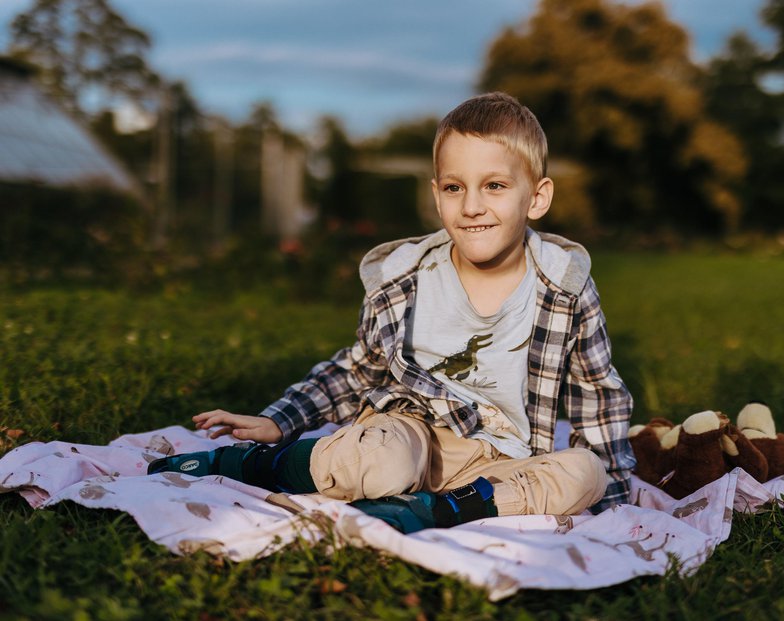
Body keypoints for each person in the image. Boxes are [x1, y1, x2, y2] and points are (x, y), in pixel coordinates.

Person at [150, 92, 635, 533]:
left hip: (500, 460)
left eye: (494, 186)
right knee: (381, 463)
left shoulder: (563, 288)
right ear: (435, 193)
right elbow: (355, 371)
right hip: (409, 432)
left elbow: (597, 392)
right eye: (453, 188)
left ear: (538, 197)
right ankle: (255, 464)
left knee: (584, 474)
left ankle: (438, 509)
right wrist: (280, 420)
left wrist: (613, 497)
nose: (471, 206)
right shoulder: (405, 282)